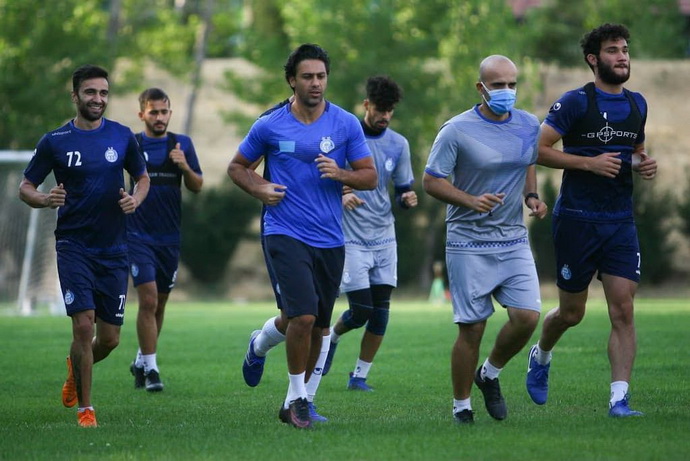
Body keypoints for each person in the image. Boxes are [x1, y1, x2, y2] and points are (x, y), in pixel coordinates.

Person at [228, 43, 377, 429]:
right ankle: (297, 400)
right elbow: (238, 167)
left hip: (330, 238)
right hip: (284, 231)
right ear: (292, 81)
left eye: (321, 76)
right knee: (304, 316)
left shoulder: (345, 123)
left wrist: (341, 174)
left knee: (319, 326)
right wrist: (260, 188)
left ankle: (262, 350)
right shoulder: (270, 125)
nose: (315, 83)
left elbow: (369, 176)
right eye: (307, 76)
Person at [525, 23, 657, 418]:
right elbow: (538, 150)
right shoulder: (575, 102)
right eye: (613, 50)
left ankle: (619, 400)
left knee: (623, 310)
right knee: (572, 313)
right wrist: (588, 163)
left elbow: (634, 152)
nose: (622, 57)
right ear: (593, 59)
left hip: (619, 221)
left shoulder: (637, 104)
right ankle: (541, 354)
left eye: (625, 50)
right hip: (577, 219)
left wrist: (642, 164)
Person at [19, 64, 150, 427]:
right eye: (91, 92)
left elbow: (142, 178)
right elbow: (25, 187)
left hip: (114, 248)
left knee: (109, 340)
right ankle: (86, 410)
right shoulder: (55, 141)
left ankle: (76, 367)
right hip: (73, 245)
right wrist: (45, 199)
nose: (98, 99)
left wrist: (136, 199)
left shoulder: (122, 136)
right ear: (75, 95)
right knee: (83, 327)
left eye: (103, 93)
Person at [423, 55, 547, 424]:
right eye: (498, 85)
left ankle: (489, 374)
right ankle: (462, 406)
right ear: (481, 88)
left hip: (512, 239)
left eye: (512, 84)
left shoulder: (528, 123)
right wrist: (470, 200)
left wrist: (531, 196)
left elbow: (527, 160)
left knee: (527, 317)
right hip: (467, 242)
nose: (507, 91)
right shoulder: (456, 130)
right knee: (472, 328)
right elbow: (431, 181)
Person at [322, 76, 418, 391]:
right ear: (367, 105)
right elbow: (324, 178)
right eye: (380, 109)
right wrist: (343, 194)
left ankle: (359, 377)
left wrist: (406, 199)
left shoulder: (399, 144)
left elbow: (401, 189)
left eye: (390, 110)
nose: (385, 116)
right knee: (361, 310)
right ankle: (333, 337)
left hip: (384, 235)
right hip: (351, 236)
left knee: (381, 314)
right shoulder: (346, 138)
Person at [127, 88, 203, 392]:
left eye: (164, 111)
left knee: (159, 304)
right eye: (153, 112)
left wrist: (184, 166)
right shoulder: (132, 144)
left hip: (169, 238)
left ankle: (140, 360)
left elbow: (197, 185)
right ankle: (153, 370)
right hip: (137, 235)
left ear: (169, 113)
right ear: (142, 114)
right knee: (147, 300)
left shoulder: (182, 144)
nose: (159, 117)